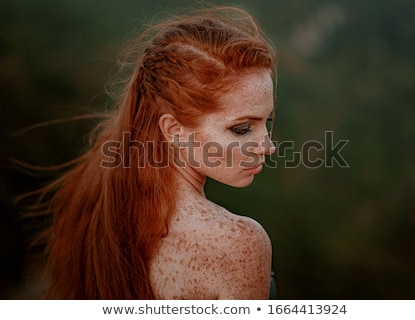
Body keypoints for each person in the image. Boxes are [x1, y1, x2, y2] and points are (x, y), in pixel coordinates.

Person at [28, 5, 278, 299]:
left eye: (267, 123)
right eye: (241, 129)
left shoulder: (96, 201)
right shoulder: (238, 242)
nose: (268, 146)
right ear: (173, 130)